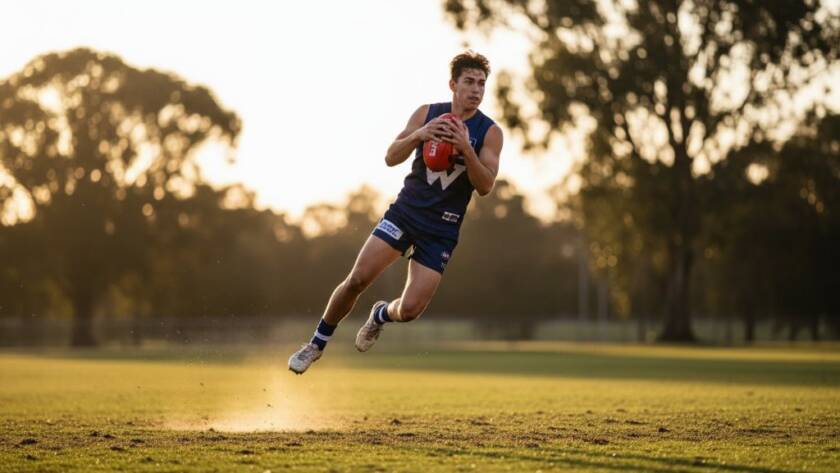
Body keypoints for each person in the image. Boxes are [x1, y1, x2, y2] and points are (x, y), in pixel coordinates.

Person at [288, 51, 503, 374]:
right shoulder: (427, 113)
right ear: (452, 85)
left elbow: (485, 186)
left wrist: (466, 149)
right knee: (357, 279)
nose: (476, 90)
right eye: (469, 82)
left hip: (441, 230)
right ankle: (316, 344)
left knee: (411, 309)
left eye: (482, 84)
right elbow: (391, 157)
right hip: (405, 214)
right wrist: (420, 135)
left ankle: (380, 316)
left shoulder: (489, 132)